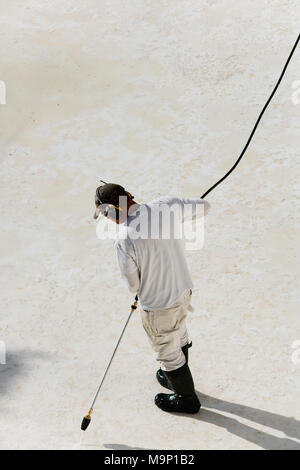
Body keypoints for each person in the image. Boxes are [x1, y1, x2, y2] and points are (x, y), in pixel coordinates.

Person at [94, 182, 210, 413]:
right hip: (183, 291)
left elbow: (133, 285)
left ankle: (186, 398)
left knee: (167, 351)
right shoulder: (165, 206)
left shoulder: (125, 239)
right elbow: (205, 206)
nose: (106, 218)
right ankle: (172, 379)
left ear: (115, 208)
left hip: (158, 305)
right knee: (179, 331)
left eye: (105, 212)